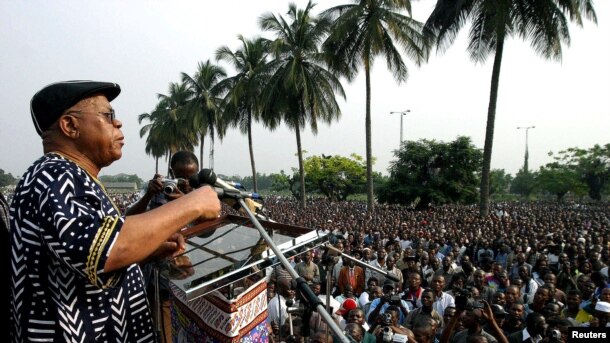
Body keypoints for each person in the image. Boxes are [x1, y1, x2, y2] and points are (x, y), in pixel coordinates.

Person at [9, 81, 221, 342]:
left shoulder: (71, 177)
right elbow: (102, 252)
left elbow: (83, 262)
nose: (118, 123)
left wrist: (148, 250)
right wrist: (194, 202)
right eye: (108, 116)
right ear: (70, 126)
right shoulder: (55, 174)